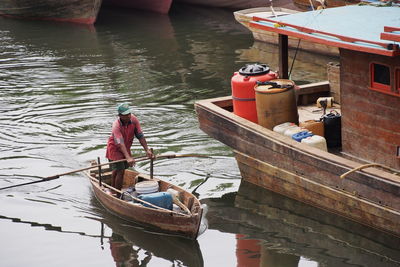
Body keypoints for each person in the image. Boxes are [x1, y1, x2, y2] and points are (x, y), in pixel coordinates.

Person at [106, 103, 153, 196]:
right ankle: (118, 194)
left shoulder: (134, 120)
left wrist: (147, 150)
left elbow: (140, 135)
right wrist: (128, 157)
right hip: (115, 148)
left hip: (126, 147)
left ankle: (112, 190)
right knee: (120, 170)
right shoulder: (116, 125)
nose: (128, 116)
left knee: (117, 169)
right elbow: (120, 143)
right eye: (125, 115)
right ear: (120, 116)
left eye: (129, 114)